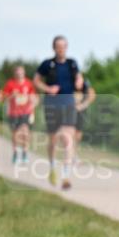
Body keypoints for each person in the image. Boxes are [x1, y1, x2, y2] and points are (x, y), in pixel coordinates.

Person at [33, 36, 83, 189]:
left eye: (63, 46)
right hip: (52, 104)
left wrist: (79, 82)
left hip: (68, 104)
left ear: (67, 47)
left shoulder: (72, 63)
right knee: (53, 141)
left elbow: (79, 77)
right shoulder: (47, 64)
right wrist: (47, 89)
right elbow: (36, 80)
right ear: (53, 48)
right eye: (58, 46)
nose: (61, 49)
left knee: (68, 139)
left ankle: (66, 176)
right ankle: (52, 166)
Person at [0, 65, 37, 163]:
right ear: (15, 73)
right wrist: (12, 95)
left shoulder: (29, 84)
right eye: (17, 72)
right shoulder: (10, 84)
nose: (19, 74)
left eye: (21, 72)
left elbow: (34, 98)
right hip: (14, 113)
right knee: (15, 134)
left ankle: (24, 152)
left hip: (26, 112)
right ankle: (16, 153)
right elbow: (3, 98)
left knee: (25, 132)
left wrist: (32, 105)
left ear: (24, 73)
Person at [73, 76, 96, 150]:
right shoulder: (69, 80)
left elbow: (92, 95)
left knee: (78, 131)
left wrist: (83, 105)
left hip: (81, 111)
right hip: (69, 109)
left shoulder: (86, 84)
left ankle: (74, 151)